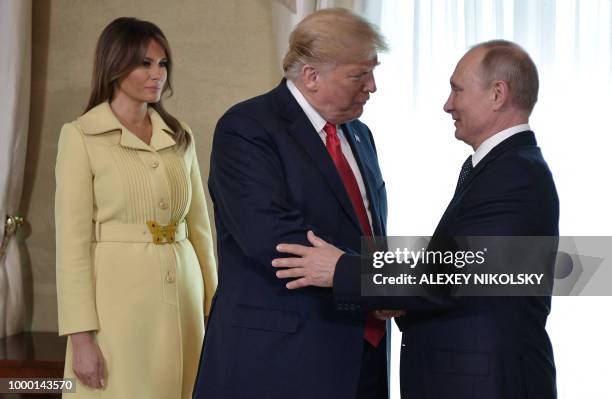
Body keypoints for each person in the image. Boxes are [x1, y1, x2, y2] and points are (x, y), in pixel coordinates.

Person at [273, 40, 559, 398]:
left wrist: (340, 269)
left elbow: (454, 273)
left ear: (497, 94)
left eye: (457, 90)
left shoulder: (515, 175)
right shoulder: (507, 167)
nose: (448, 105)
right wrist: (397, 298)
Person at [193, 8, 390, 399]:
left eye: (373, 71)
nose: (372, 86)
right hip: (282, 360)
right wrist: (376, 282)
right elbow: (276, 241)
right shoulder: (247, 128)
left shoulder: (361, 135)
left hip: (362, 355)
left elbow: (368, 232)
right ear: (311, 76)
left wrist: (380, 284)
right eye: (359, 75)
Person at [55, 17, 217, 398]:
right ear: (114, 65)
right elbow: (72, 246)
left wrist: (215, 307)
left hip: (184, 300)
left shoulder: (180, 136)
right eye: (145, 63)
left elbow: (201, 230)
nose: (157, 73)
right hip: (118, 306)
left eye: (163, 64)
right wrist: (81, 339)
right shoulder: (81, 137)